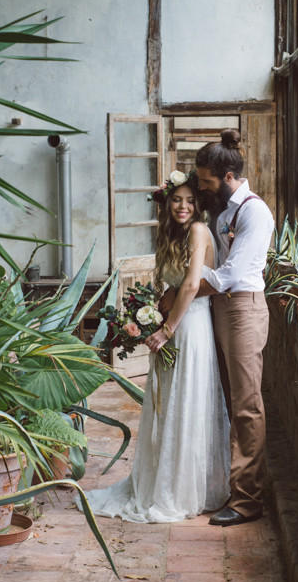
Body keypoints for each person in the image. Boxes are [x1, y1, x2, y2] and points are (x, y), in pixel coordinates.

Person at [85, 173, 230, 522]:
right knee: (168, 403)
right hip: (176, 323)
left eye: (189, 201)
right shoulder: (172, 235)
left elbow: (193, 284)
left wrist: (165, 330)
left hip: (191, 325)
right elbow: (172, 286)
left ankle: (183, 489)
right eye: (176, 200)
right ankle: (162, 482)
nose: (182, 206)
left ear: (198, 206)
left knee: (187, 401)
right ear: (168, 204)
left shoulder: (198, 231)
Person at [156, 129, 274, 527]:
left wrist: (183, 290)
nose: (202, 189)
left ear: (226, 176)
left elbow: (233, 273)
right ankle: (228, 484)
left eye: (205, 182)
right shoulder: (224, 210)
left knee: (246, 404)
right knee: (226, 398)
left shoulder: (255, 211)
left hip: (243, 308)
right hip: (219, 309)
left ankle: (248, 500)